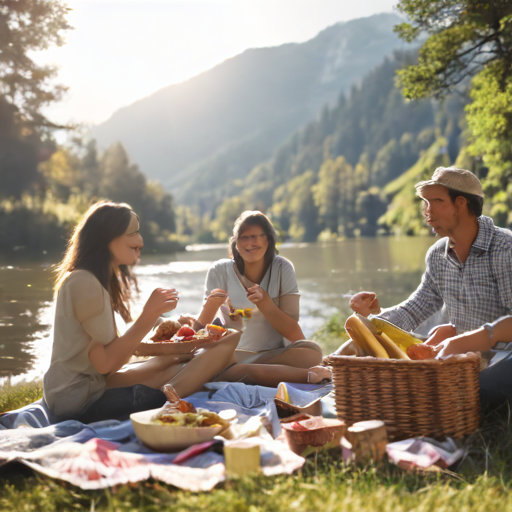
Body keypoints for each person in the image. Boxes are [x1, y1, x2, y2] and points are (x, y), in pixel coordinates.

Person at [43, 201, 241, 423]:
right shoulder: (84, 283)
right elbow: (106, 363)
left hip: (84, 387)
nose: (141, 241)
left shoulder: (90, 279)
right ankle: (170, 405)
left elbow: (103, 354)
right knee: (224, 345)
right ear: (107, 237)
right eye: (134, 232)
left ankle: (177, 386)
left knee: (180, 359)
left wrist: (161, 323)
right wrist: (149, 315)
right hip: (80, 401)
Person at [350, 167, 512, 342]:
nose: (427, 212)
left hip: (503, 361)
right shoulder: (437, 255)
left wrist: (460, 344)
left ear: (461, 203)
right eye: (426, 203)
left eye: (437, 201)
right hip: (460, 362)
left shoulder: (505, 249)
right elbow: (414, 310)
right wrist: (371, 320)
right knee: (359, 349)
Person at [195, 210, 323, 369]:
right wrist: (211, 305)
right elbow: (198, 331)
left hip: (273, 356)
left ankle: (247, 371)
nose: (250, 243)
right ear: (236, 242)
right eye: (244, 237)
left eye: (256, 236)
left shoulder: (283, 268)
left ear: (268, 240)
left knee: (312, 353)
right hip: (231, 355)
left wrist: (265, 302)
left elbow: (292, 330)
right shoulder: (219, 270)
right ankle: (245, 371)